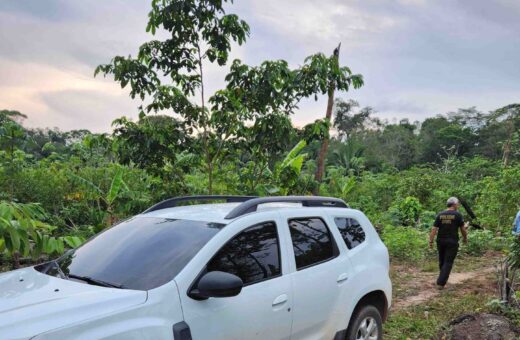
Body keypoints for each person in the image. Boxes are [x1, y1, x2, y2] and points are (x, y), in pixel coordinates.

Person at [429, 197, 468, 289]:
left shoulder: (440, 214)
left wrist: (430, 241)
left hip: (440, 241)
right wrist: (465, 238)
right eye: (457, 203)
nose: (458, 205)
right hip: (452, 242)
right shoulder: (458, 215)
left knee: (442, 261)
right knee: (448, 262)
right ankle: (440, 283)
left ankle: (442, 278)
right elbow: (462, 229)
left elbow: (434, 229)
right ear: (454, 204)